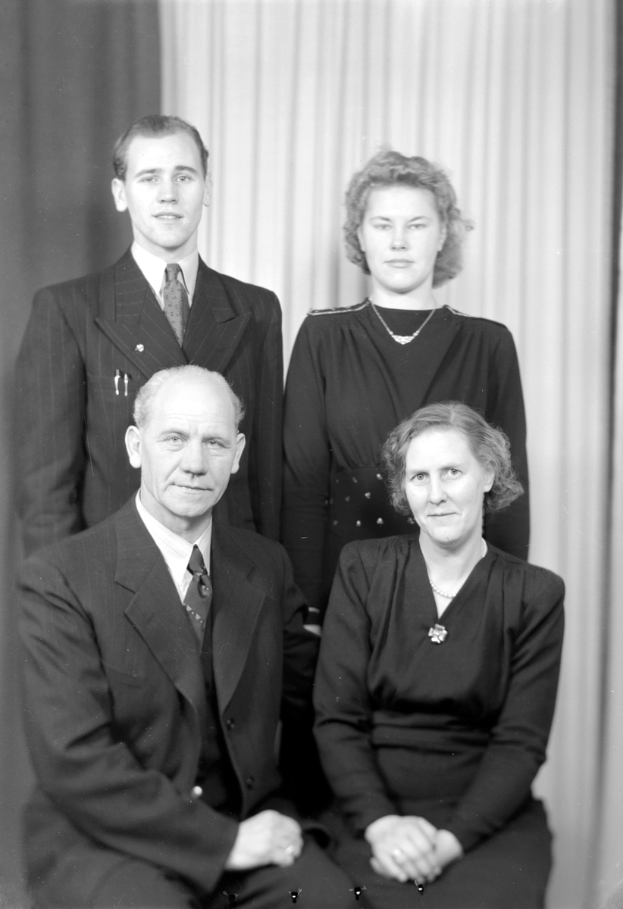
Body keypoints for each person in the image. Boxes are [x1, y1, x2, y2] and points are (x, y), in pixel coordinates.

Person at [19, 366, 361, 909]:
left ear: (239, 453)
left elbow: (315, 701)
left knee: (332, 901)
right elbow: (75, 762)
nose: (196, 463)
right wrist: (226, 843)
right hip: (111, 843)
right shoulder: (60, 576)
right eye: (174, 439)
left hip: (245, 822)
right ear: (136, 447)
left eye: (215, 442)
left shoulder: (265, 565)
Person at [313, 402, 564, 908]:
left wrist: (447, 845)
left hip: (483, 823)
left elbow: (521, 742)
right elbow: (336, 719)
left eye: (452, 472)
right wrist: (382, 825)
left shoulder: (535, 593)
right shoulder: (363, 568)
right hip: (371, 812)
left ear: (488, 473)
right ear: (402, 490)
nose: (436, 494)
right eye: (419, 477)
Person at [16, 115, 282, 558]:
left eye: (184, 176)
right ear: (121, 193)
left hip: (231, 572)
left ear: (207, 188)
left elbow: (266, 477)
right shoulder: (69, 309)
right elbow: (47, 492)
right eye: (149, 178)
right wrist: (63, 604)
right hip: (113, 574)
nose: (168, 195)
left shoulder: (256, 309)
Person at [282, 150, 529, 627]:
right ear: (359, 235)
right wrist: (307, 607)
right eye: (382, 225)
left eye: (416, 225)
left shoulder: (488, 343)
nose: (398, 242)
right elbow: (303, 485)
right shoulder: (323, 336)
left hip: (461, 590)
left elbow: (510, 493)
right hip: (346, 589)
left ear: (443, 235)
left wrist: (506, 599)